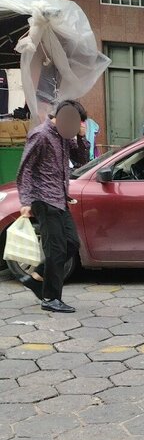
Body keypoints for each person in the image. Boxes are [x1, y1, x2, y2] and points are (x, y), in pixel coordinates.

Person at [15, 100, 87, 313]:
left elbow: (81, 160)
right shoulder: (41, 135)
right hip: (43, 199)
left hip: (60, 198)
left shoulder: (64, 136)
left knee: (72, 243)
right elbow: (25, 169)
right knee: (55, 250)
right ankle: (50, 298)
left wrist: (81, 137)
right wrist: (25, 201)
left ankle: (37, 278)